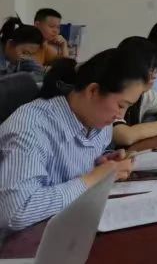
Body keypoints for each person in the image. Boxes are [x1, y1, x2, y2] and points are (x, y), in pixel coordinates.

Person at [0, 47, 147, 231]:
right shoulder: (32, 127)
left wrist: (103, 164)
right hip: (22, 239)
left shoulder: (99, 123)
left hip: (67, 224)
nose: (120, 116)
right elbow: (15, 212)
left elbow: (81, 161)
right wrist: (94, 178)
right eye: (121, 105)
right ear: (93, 90)